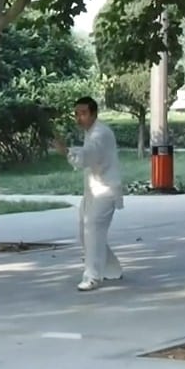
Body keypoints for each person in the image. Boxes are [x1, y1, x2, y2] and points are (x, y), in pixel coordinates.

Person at [54, 97, 123, 291]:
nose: (79, 118)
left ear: (94, 114)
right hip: (93, 190)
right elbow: (87, 153)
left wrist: (66, 151)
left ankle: (92, 277)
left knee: (92, 230)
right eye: (76, 114)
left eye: (83, 113)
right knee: (86, 233)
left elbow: (88, 155)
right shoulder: (91, 132)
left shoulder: (100, 133)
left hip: (106, 191)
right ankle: (111, 269)